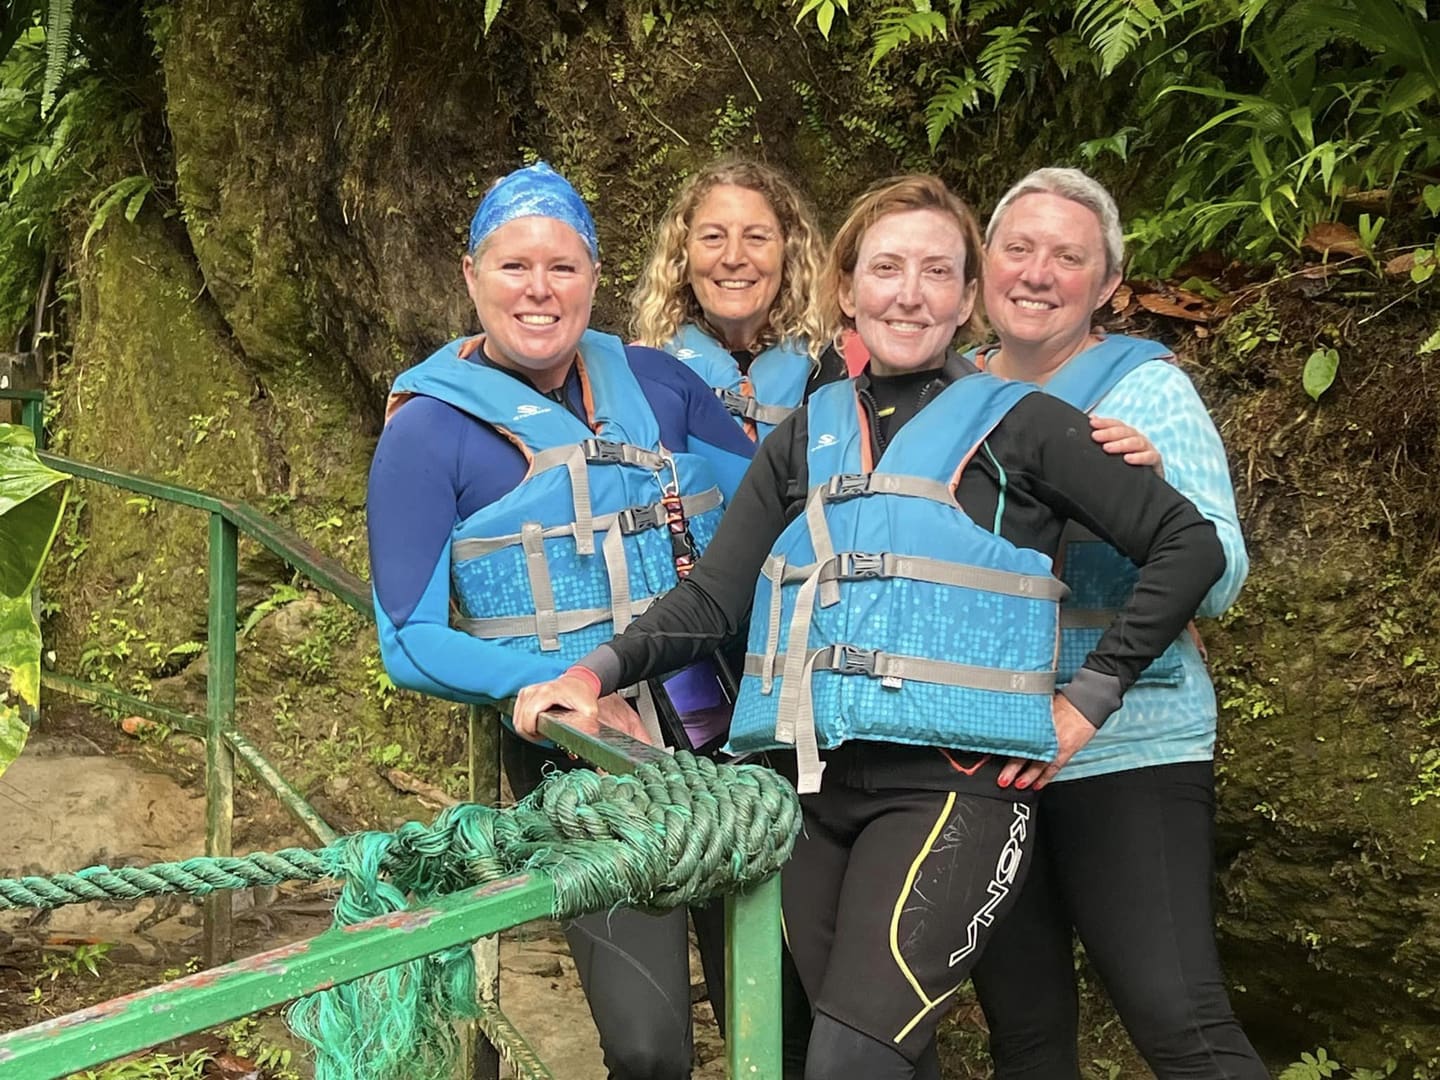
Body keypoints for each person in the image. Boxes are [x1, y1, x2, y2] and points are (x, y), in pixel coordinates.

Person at [511, 174, 1226, 1080]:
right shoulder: (804, 437)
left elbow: (1188, 546)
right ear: (846, 290)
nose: (910, 292)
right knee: (875, 1054)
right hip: (813, 792)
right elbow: (713, 600)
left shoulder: (1030, 428)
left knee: (851, 1062)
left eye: (937, 271)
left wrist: (1089, 699)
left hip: (954, 793)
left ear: (968, 299)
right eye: (886, 267)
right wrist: (592, 674)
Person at [366, 161, 760, 1080]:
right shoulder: (427, 435)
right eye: (513, 267)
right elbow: (409, 639)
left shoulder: (661, 385)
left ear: (594, 277)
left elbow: (775, 504)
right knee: (650, 1047)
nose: (539, 291)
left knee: (778, 1008)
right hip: (583, 760)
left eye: (564, 267)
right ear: (470, 277)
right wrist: (552, 691)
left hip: (723, 726)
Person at [967, 167, 1267, 1080]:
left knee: (1178, 1018)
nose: (1037, 272)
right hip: (985, 743)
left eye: (1069, 257)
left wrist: (1156, 494)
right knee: (1024, 1035)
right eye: (1017, 249)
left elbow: (1219, 581)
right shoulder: (948, 391)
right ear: (983, 266)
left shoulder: (1148, 392)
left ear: (1105, 287)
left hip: (1130, 744)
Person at [632, 158, 846, 442]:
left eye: (756, 237)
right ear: (682, 256)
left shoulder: (836, 366)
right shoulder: (644, 367)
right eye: (712, 237)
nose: (733, 257)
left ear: (789, 253)